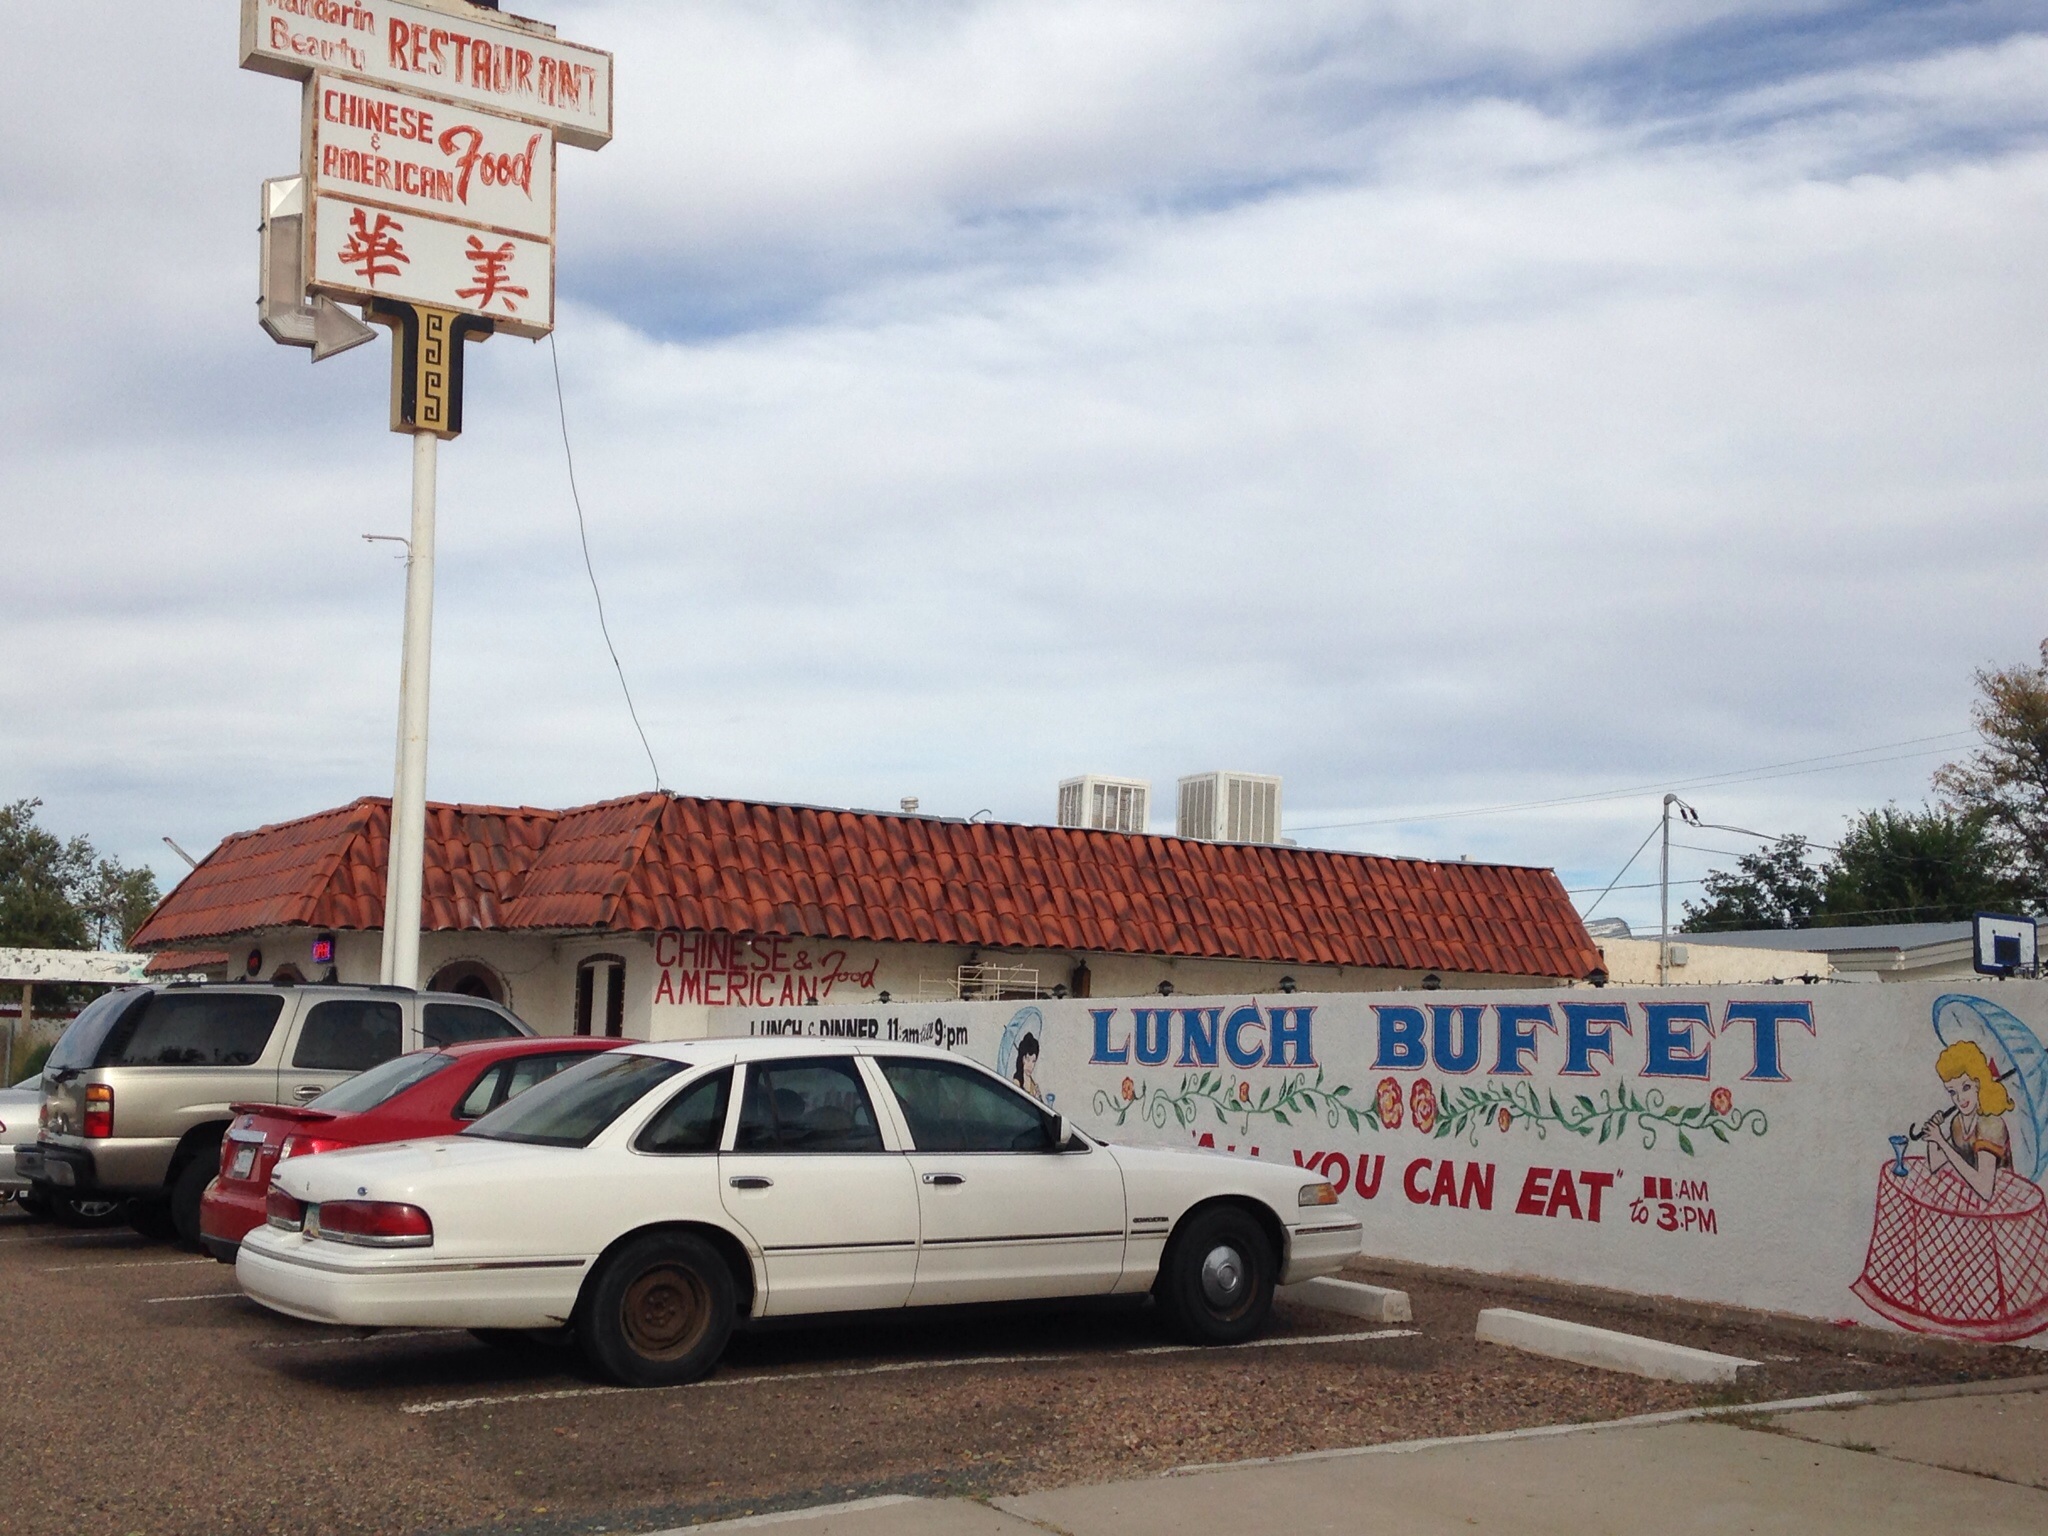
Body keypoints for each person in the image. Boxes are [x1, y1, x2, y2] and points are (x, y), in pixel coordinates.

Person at [1921, 1040, 2015, 1202]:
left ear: (1978, 1084)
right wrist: (1933, 1138)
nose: (1959, 1099)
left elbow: (1985, 1189)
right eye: (1952, 1092)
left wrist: (1942, 1142)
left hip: (2002, 1203)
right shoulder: (1958, 1122)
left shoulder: (1991, 1124)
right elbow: (1935, 1165)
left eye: (1966, 1088)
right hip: (1972, 1200)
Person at [1012, 1032, 1043, 1102]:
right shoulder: (1017, 1082)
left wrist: (1038, 1098)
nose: (1030, 1065)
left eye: (1033, 1061)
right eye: (1028, 1059)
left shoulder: (1033, 1085)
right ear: (1023, 1059)